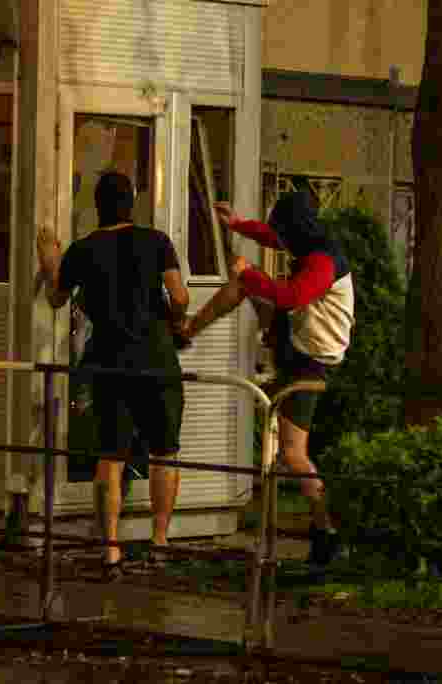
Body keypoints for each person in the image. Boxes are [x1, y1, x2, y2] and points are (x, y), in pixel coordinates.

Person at [180, 189, 355, 569]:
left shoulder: (324, 262)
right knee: (245, 284)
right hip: (298, 342)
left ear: (297, 228)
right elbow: (271, 237)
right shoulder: (309, 240)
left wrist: (251, 275)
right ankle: (188, 331)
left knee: (294, 452)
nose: (281, 240)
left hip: (312, 360)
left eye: (284, 232)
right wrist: (238, 224)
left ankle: (329, 533)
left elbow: (290, 296)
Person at [36, 172, 190, 579]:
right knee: (165, 450)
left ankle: (111, 551)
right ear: (133, 201)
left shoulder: (84, 250)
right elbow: (179, 297)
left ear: (97, 205)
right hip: (156, 359)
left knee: (110, 457)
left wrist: (50, 257)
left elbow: (55, 297)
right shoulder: (156, 241)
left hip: (109, 361)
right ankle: (159, 543)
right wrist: (175, 321)